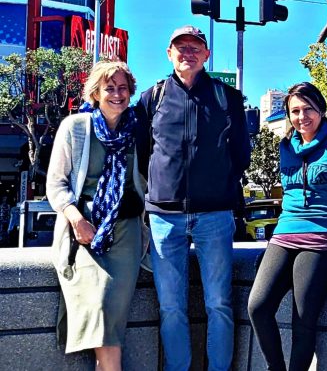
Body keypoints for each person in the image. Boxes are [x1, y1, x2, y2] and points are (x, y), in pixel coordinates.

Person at [137, 25, 251, 371]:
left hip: (214, 215)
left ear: (206, 54)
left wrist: (218, 188)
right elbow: (144, 154)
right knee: (171, 306)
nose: (188, 53)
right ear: (169, 54)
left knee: (219, 303)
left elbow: (241, 155)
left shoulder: (226, 98)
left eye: (195, 47)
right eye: (180, 48)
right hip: (163, 217)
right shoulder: (151, 98)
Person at [47, 60, 150, 370]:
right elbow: (56, 183)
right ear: (95, 92)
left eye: (122, 88)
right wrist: (75, 218)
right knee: (100, 305)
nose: (117, 94)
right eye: (109, 88)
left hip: (127, 232)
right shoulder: (76, 127)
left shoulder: (138, 131)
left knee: (112, 315)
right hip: (86, 231)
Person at [246, 82, 327, 370]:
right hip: (283, 234)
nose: (301, 116)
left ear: (321, 109)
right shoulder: (285, 146)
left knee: (302, 318)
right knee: (258, 306)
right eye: (295, 111)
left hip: (322, 237)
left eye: (308, 109)